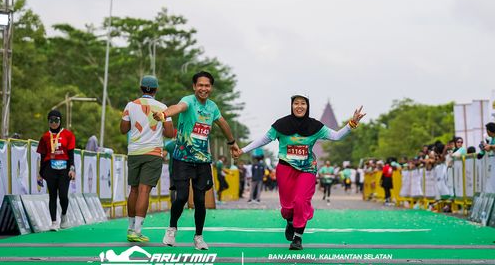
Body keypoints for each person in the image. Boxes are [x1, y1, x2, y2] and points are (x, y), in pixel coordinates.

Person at [238, 94, 365, 250]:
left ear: (307, 106)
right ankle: (290, 221)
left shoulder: (315, 127)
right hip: (285, 169)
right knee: (287, 207)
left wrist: (352, 123)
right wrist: (243, 150)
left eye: (303, 103)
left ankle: (298, 237)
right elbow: (264, 139)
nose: (299, 106)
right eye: (296, 103)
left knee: (301, 201)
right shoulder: (281, 125)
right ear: (292, 106)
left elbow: (336, 136)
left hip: (307, 169)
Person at [153, 71, 240, 250]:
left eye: (207, 85)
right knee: (182, 196)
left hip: (203, 161)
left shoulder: (212, 107)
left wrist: (232, 143)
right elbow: (177, 108)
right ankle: (171, 229)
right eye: (200, 85)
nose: (203, 88)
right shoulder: (188, 101)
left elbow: (223, 123)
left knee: (200, 201)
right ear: (194, 86)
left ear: (211, 88)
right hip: (182, 159)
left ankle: (198, 237)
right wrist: (164, 114)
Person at [120, 75, 175, 243]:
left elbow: (123, 129)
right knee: (144, 191)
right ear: (156, 90)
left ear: (141, 88)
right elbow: (170, 133)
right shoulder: (163, 108)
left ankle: (130, 229)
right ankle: (137, 231)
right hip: (153, 153)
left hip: (134, 152)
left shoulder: (131, 105)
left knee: (134, 190)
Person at [36, 109, 76, 231]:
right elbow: (43, 156)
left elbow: (71, 154)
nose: (54, 123)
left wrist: (72, 169)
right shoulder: (45, 137)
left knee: (63, 196)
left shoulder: (68, 135)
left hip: (64, 169)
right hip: (50, 168)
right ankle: (54, 222)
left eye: (56, 120)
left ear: (60, 121)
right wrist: (40, 173)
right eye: (51, 120)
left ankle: (63, 215)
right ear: (48, 121)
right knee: (52, 196)